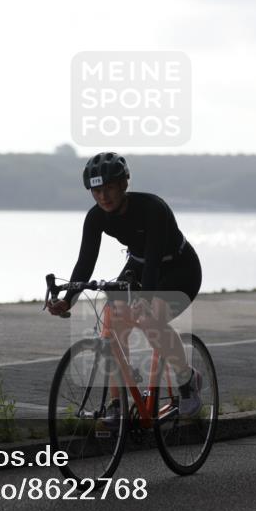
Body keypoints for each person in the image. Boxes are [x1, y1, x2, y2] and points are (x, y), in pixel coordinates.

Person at [46, 152, 203, 417]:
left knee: (151, 318)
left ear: (123, 184)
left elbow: (153, 260)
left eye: (108, 188)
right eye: (96, 191)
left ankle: (186, 378)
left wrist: (146, 300)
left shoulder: (153, 208)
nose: (103, 197)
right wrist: (68, 299)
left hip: (179, 268)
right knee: (113, 319)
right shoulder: (96, 217)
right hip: (139, 265)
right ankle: (118, 405)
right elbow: (85, 262)